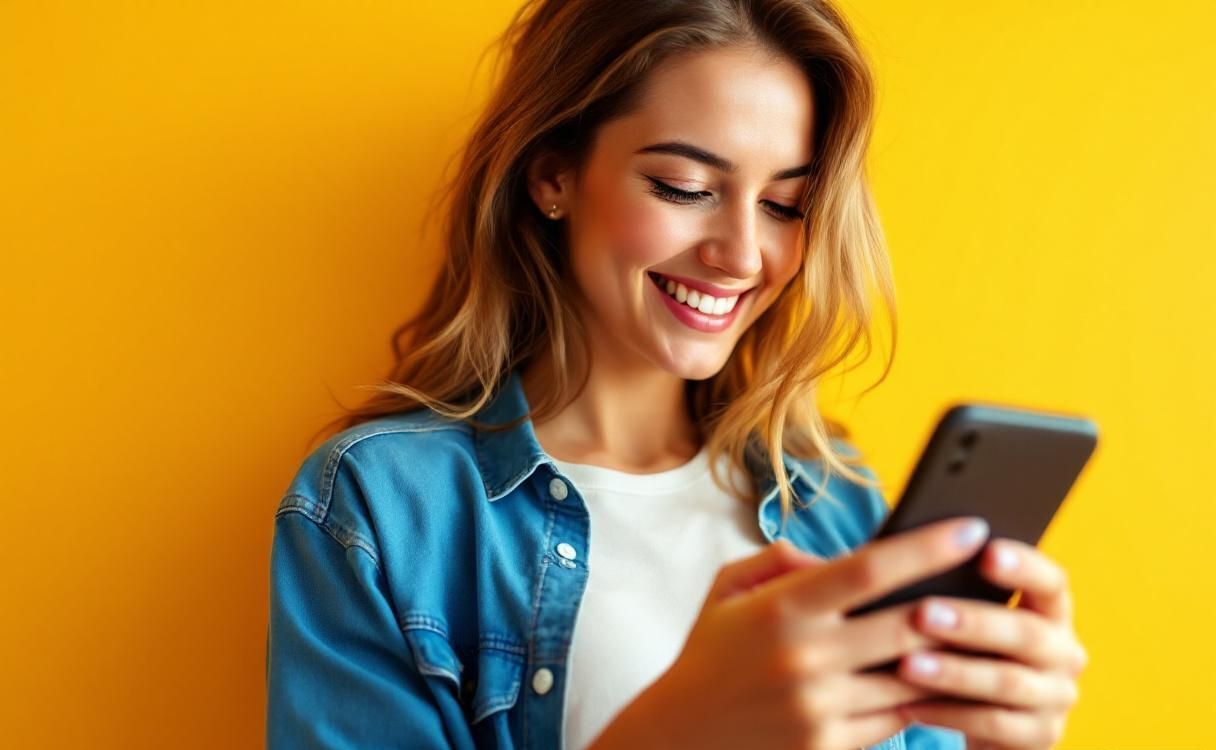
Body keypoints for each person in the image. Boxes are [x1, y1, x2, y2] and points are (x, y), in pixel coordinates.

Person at [265, 0, 1088, 748]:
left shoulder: (836, 507)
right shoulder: (385, 507)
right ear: (554, 176)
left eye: (784, 206)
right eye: (684, 187)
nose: (740, 255)